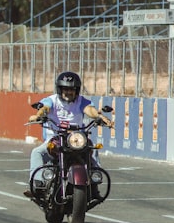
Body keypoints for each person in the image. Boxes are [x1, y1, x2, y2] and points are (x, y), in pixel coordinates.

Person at [24, 70, 113, 199]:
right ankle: (37, 184)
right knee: (37, 152)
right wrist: (38, 115)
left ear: (77, 90)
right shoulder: (52, 100)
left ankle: (94, 183)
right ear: (59, 89)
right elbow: (45, 108)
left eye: (72, 89)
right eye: (65, 89)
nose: (68, 92)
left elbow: (90, 110)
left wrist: (100, 117)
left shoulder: (81, 101)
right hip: (55, 138)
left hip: (76, 139)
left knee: (91, 148)